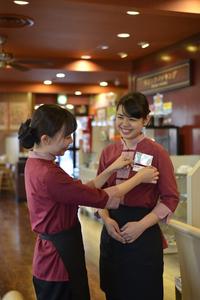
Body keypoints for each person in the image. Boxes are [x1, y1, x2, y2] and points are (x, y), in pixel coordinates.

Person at [18, 104, 159, 300]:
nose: (70, 141)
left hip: (55, 251)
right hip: (58, 260)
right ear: (45, 139)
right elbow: (103, 197)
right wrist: (139, 178)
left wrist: (110, 169)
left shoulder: (36, 163)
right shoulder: (48, 174)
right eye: (66, 136)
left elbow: (81, 190)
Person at [97, 92, 179, 300]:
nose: (125, 124)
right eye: (120, 117)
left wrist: (141, 225)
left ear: (146, 120)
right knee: (113, 291)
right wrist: (106, 219)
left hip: (144, 232)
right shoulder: (108, 152)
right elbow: (98, 194)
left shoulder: (157, 152)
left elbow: (171, 198)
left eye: (132, 119)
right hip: (112, 231)